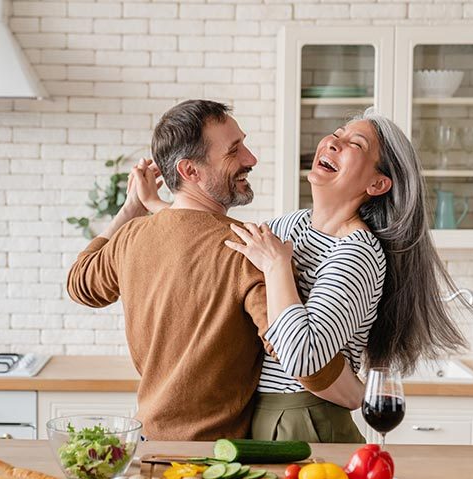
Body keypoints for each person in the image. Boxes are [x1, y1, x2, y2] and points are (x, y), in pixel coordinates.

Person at [136, 107, 472, 443]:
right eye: (336, 134)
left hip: (307, 419)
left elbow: (303, 357)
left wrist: (278, 267)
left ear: (377, 183)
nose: (332, 143)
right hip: (259, 416)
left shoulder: (357, 253)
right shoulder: (290, 225)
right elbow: (219, 239)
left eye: (354, 144)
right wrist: (155, 204)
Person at [66, 100, 343, 441]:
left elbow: (80, 283)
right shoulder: (245, 248)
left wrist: (130, 209)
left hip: (147, 447)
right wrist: (360, 393)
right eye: (234, 151)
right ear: (190, 171)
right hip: (215, 460)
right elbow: (302, 358)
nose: (251, 159)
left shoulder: (131, 238)